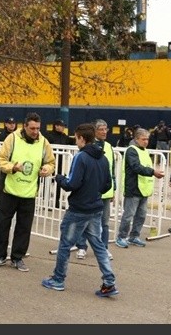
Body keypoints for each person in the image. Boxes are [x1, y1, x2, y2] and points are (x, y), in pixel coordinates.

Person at [41, 123, 118, 297]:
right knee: (98, 245)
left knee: (65, 244)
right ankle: (109, 281)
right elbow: (107, 184)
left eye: (76, 138)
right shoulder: (104, 158)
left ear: (82, 138)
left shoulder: (81, 157)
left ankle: (58, 279)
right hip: (96, 207)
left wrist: (59, 179)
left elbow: (72, 184)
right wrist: (94, 192)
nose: (76, 142)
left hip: (78, 208)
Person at [0, 112, 56, 272]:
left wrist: (46, 169)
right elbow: (0, 159)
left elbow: (51, 162)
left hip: (29, 193)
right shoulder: (12, 138)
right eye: (32, 128)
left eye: (38, 129)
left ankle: (17, 257)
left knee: (24, 227)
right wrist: (12, 167)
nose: (35, 132)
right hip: (9, 190)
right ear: (24, 126)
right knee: (2, 224)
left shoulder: (44, 142)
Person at [115, 128, 165, 248]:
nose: (146, 141)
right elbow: (136, 167)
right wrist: (153, 172)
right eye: (143, 139)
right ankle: (121, 237)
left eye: (147, 139)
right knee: (128, 215)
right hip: (133, 188)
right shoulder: (132, 151)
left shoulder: (144, 151)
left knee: (141, 215)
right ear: (136, 139)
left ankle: (134, 236)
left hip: (143, 188)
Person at [74, 119, 116, 261]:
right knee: (85, 221)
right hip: (91, 190)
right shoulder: (88, 146)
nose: (104, 132)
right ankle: (81, 247)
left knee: (104, 221)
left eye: (106, 129)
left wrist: (113, 189)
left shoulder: (109, 147)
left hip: (105, 191)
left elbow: (112, 169)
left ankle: (103, 248)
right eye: (101, 129)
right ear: (94, 131)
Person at [46, 119, 72, 209]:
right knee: (48, 181)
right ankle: (47, 201)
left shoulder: (64, 136)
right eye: (61, 126)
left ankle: (56, 201)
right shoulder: (49, 136)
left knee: (58, 181)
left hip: (60, 162)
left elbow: (72, 141)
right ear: (56, 126)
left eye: (64, 126)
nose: (63, 128)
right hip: (50, 162)